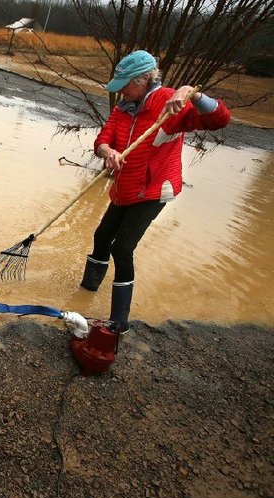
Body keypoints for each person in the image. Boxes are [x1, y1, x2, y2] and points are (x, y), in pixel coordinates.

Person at [79, 50, 231, 333]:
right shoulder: (123, 106)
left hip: (153, 189)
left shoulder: (171, 104)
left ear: (145, 79)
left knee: (122, 248)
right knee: (101, 236)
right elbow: (103, 138)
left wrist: (192, 94)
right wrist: (107, 151)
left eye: (125, 84)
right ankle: (85, 294)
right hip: (125, 186)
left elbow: (220, 119)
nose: (121, 91)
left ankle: (118, 324)